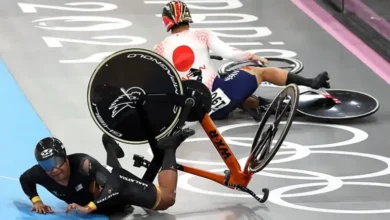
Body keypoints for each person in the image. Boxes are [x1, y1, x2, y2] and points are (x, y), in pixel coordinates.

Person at [153, 0, 331, 121]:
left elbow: (158, 83)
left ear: (166, 22)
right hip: (218, 95)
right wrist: (252, 57)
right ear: (187, 17)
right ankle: (311, 83)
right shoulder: (201, 35)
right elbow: (230, 54)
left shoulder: (159, 48)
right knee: (260, 73)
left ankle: (260, 105)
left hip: (196, 112)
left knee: (231, 90)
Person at [19, 128, 195, 215]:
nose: (54, 169)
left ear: (65, 157)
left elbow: (115, 185)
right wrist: (36, 201)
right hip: (105, 194)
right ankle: (110, 145)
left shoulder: (84, 163)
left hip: (118, 186)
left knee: (167, 199)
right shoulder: (40, 173)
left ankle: (170, 147)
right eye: (46, 166)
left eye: (57, 162)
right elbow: (25, 179)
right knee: (106, 178)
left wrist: (89, 207)